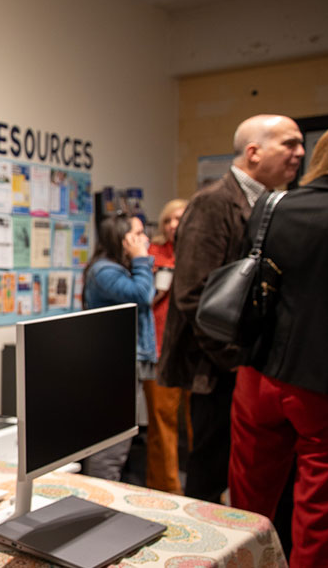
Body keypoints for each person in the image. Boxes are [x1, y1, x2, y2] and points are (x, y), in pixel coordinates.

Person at [157, 114, 304, 503]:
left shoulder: (270, 203)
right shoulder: (214, 203)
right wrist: (234, 360)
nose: (300, 153)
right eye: (289, 144)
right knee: (208, 478)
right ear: (254, 152)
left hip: (246, 368)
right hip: (218, 371)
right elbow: (193, 295)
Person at [228, 119, 328, 567]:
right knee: (321, 512)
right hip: (327, 382)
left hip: (258, 373)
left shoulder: (273, 206)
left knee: (246, 504)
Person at [80, 212, 154, 481]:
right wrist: (141, 259)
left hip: (122, 362)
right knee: (110, 447)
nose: (145, 239)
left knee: (119, 442)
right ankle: (100, 502)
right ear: (122, 239)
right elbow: (142, 295)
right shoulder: (104, 271)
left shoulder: (119, 268)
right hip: (111, 366)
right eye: (138, 234)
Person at [144, 199, 190, 494]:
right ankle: (167, 490)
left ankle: (206, 490)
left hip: (196, 350)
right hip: (160, 348)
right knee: (162, 427)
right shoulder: (152, 254)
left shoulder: (204, 249)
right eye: (168, 220)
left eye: (180, 219)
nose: (174, 225)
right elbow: (143, 298)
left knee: (201, 424)